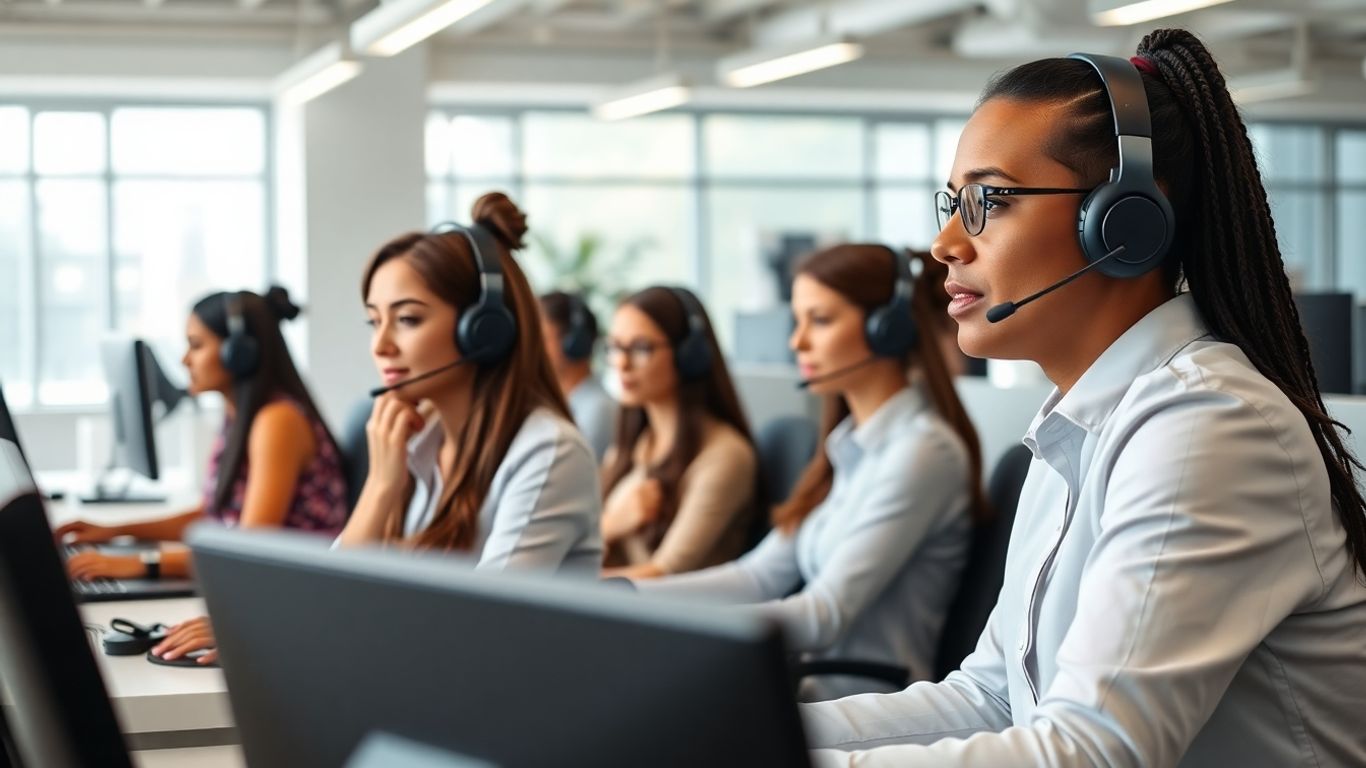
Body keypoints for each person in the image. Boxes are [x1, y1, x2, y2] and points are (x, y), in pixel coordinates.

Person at [802, 29, 1366, 766]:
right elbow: (992, 697)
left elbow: (1096, 753)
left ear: (1124, 224)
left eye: (990, 201)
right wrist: (747, 733)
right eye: (953, 202)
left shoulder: (1210, 427)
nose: (944, 243)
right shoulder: (1079, 426)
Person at [639, 246, 986, 701]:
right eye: (798, 321)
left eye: (819, 321)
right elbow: (757, 577)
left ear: (888, 330)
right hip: (803, 685)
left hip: (864, 702)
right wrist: (631, 596)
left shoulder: (923, 452)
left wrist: (686, 626)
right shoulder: (848, 448)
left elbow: (825, 615)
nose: (797, 342)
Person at [337, 191, 602, 570]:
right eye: (374, 322)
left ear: (482, 331)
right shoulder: (416, 440)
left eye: (408, 319)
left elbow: (485, 623)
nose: (380, 346)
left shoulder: (548, 451)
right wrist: (381, 486)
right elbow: (331, 594)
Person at [59, 287, 348, 584]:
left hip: (296, 587)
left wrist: (140, 563)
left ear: (238, 354)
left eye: (196, 345)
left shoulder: (277, 422)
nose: (185, 360)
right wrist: (117, 531)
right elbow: (211, 515)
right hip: (265, 583)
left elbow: (247, 552)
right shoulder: (238, 416)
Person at [598, 286, 762, 580]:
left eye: (640, 348)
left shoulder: (724, 455)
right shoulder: (633, 447)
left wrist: (560, 585)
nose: (621, 363)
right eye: (614, 347)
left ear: (690, 356)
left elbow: (666, 575)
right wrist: (611, 524)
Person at [538, 290, 615, 461]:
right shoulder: (552, 404)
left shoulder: (597, 409)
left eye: (541, 339)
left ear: (574, 343)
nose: (533, 349)